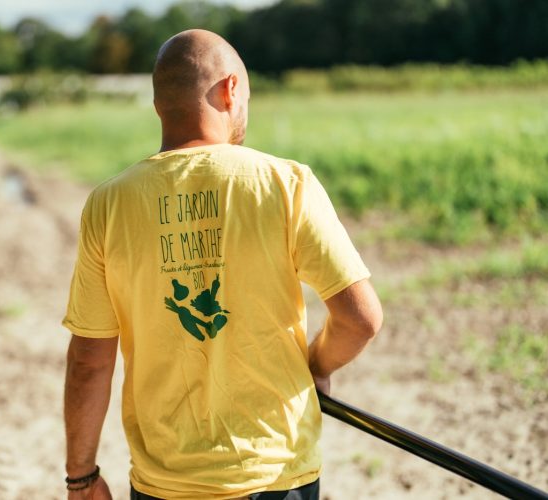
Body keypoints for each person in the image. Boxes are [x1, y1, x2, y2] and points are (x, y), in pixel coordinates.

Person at [62, 29, 383, 500]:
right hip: (275, 478)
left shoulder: (108, 204)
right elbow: (361, 319)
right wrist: (316, 366)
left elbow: (90, 361)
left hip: (162, 486)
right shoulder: (286, 183)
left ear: (159, 105)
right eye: (247, 95)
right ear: (230, 89)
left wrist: (81, 477)